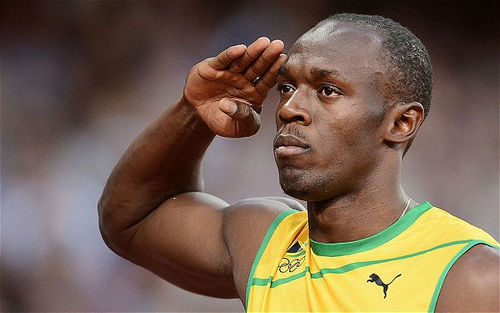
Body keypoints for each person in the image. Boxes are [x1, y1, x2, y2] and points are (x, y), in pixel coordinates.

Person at [99, 13, 499, 312]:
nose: (290, 108)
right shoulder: (262, 241)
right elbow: (129, 219)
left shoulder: (469, 276)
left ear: (401, 122)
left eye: (327, 90)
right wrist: (192, 115)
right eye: (287, 87)